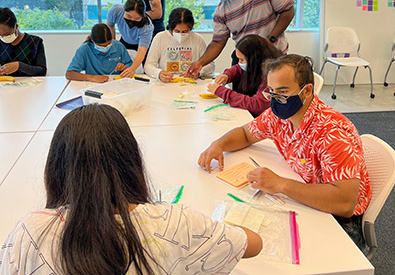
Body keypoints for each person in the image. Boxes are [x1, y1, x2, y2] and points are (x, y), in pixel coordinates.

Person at [0, 104, 262, 274]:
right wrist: (212, 225)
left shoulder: (31, 231)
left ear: (57, 167)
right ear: (130, 160)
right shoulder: (175, 222)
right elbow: (254, 244)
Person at [198, 54, 371, 250]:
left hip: (338, 220)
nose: (274, 100)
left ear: (306, 91)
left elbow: (345, 204)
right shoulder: (279, 116)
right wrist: (219, 144)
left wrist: (280, 183)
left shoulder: (332, 133)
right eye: (270, 92)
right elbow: (246, 134)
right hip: (303, 192)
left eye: (282, 92)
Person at [186, 0, 295, 78]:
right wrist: (200, 63)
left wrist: (270, 39)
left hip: (274, 58)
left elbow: (288, 10)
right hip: (244, 62)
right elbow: (217, 42)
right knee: (242, 96)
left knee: (271, 94)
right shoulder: (221, 10)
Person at [207, 34, 280, 117]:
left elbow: (257, 105)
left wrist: (224, 93)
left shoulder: (271, 76)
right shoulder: (255, 66)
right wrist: (226, 75)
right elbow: (238, 69)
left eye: (242, 60)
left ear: (254, 59)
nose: (239, 63)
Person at [144, 7, 214, 82]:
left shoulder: (198, 39)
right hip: (166, 84)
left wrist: (199, 72)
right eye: (177, 31)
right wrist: (159, 73)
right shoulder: (160, 37)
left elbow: (210, 66)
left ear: (190, 28)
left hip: (191, 85)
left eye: (185, 31)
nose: (180, 34)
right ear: (170, 28)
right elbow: (148, 66)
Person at [66, 23, 133, 83]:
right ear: (92, 40)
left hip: (116, 83)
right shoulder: (84, 50)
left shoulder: (118, 46)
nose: (105, 48)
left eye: (108, 44)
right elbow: (69, 74)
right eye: (101, 46)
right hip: (94, 85)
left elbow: (130, 67)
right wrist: (91, 77)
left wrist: (124, 68)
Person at [107, 0, 154, 76]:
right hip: (124, 41)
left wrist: (132, 69)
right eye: (128, 16)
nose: (132, 20)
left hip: (139, 44)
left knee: (140, 70)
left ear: (143, 16)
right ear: (124, 10)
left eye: (137, 18)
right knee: (119, 66)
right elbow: (110, 25)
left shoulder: (147, 26)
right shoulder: (116, 11)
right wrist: (113, 43)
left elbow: (141, 52)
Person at [0, 7, 46, 76]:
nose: (3, 38)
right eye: (0, 35)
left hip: (32, 85)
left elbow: (42, 71)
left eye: (7, 34)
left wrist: (19, 66)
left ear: (16, 26)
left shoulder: (35, 42)